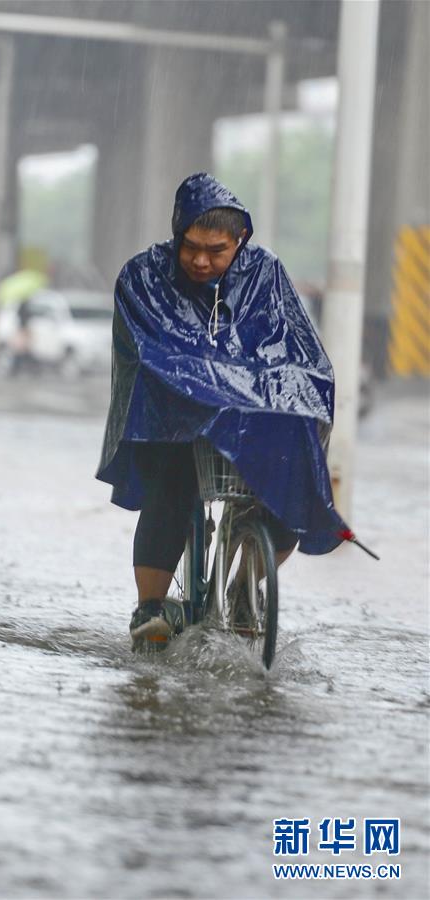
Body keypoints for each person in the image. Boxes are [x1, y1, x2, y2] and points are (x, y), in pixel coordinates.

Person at [96, 172, 349, 650]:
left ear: (241, 240)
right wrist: (203, 386)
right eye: (191, 246)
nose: (200, 260)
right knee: (173, 487)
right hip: (175, 422)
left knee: (289, 493)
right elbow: (147, 355)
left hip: (251, 425)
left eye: (216, 251)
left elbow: (297, 349)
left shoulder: (265, 274)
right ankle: (150, 607)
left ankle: (243, 584)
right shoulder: (143, 276)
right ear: (177, 233)